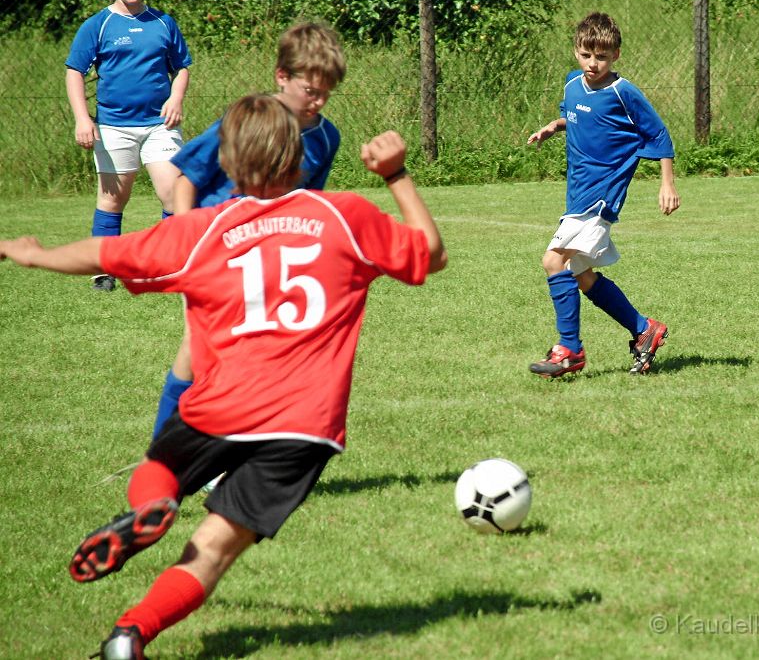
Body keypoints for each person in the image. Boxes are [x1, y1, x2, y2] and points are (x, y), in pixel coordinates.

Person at [0, 93, 447, 659]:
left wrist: (34, 254)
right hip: (304, 428)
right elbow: (429, 253)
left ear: (230, 165)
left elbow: (109, 254)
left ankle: (147, 511)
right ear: (299, 157)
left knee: (159, 470)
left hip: (221, 406)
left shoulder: (204, 231)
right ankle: (128, 636)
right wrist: (397, 175)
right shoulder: (344, 216)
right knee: (214, 549)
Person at [153, 21, 347, 444]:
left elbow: (307, 207)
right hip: (215, 248)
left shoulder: (326, 137)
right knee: (199, 348)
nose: (318, 102)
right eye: (311, 91)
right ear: (282, 76)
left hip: (267, 259)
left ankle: (233, 448)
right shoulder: (247, 121)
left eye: (327, 93)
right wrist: (188, 242)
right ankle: (166, 448)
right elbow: (186, 179)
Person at [527, 11, 680, 377]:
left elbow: (658, 135)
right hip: (578, 194)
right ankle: (644, 329)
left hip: (600, 197)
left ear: (616, 56)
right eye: (586, 55)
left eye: (602, 57)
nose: (593, 63)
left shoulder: (623, 92)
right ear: (576, 51)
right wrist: (554, 126)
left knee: (553, 261)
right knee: (582, 275)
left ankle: (570, 350)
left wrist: (667, 182)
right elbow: (578, 117)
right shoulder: (570, 84)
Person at [65, 0, 192, 292]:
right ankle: (104, 271)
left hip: (159, 126)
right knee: (112, 200)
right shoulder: (98, 25)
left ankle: (168, 265)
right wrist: (82, 119)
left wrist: (176, 98)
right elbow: (74, 71)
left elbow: (182, 67)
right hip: (114, 126)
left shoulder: (164, 23)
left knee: (172, 194)